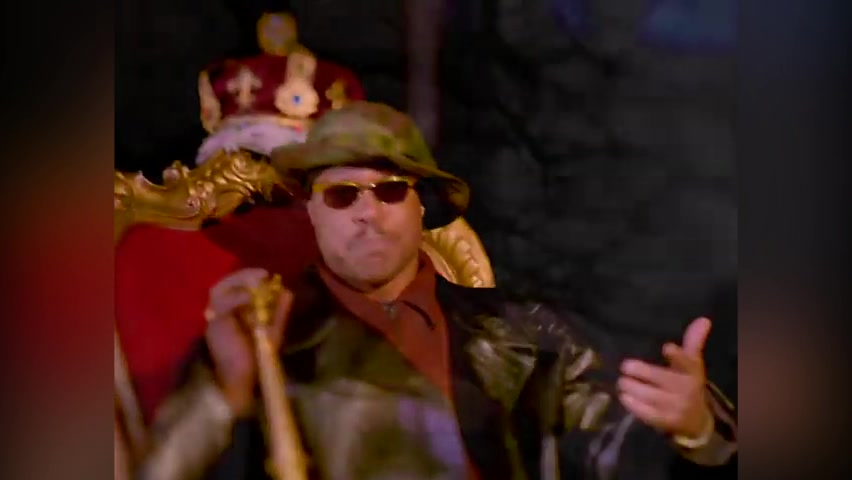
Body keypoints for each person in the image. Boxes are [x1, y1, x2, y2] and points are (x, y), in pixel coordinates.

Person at [136, 102, 736, 480]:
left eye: (390, 191)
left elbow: (613, 442)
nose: (367, 213)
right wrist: (227, 396)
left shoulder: (524, 331)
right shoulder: (263, 337)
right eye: (342, 195)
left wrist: (693, 428)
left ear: (421, 207)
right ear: (311, 213)